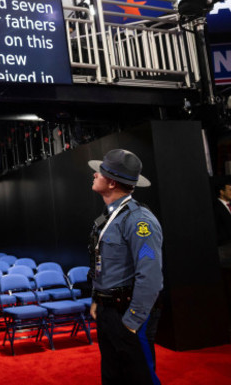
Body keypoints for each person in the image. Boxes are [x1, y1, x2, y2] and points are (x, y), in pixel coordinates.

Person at [87, 149, 163, 385]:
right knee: (112, 376)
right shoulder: (110, 217)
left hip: (129, 313)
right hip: (108, 311)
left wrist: (133, 320)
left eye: (98, 173)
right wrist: (97, 300)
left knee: (139, 377)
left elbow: (149, 276)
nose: (93, 175)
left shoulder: (139, 221)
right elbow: (105, 266)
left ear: (110, 182)